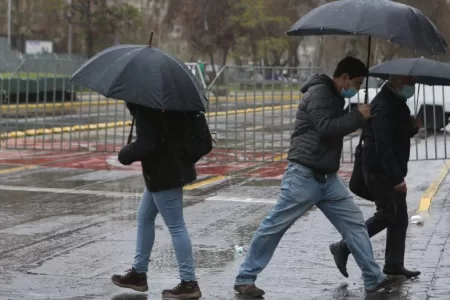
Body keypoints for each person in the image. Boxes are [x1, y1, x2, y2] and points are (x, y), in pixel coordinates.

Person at [233, 56, 401, 298]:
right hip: (304, 174)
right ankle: (245, 278)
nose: (357, 88)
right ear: (343, 78)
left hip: (327, 179)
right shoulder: (320, 92)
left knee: (354, 224)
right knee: (274, 226)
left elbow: (336, 124)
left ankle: (373, 279)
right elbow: (325, 127)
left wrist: (358, 115)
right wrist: (357, 117)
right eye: (356, 83)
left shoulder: (333, 96)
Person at [329, 75, 422, 279]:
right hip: (378, 169)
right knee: (387, 213)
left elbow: (395, 134)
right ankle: (343, 247)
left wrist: (412, 127)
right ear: (398, 81)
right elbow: (383, 145)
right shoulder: (383, 104)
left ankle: (394, 264)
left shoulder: (396, 101)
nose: (412, 87)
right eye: (411, 83)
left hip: (388, 168)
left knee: (400, 218)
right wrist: (396, 179)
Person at [111, 103, 202, 299]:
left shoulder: (147, 105)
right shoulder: (169, 100)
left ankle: (189, 283)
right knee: (144, 216)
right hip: (168, 169)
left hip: (165, 173)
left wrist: (124, 154)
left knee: (176, 226)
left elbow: (146, 144)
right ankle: (138, 273)